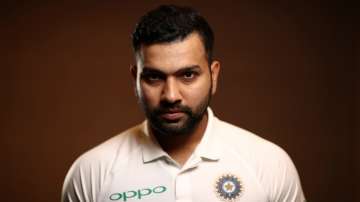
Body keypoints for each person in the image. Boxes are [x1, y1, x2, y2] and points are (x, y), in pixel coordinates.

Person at [61, 5, 306, 202]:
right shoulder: (91, 173)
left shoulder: (269, 164)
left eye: (187, 75)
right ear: (135, 79)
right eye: (154, 77)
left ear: (214, 75)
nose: (170, 95)